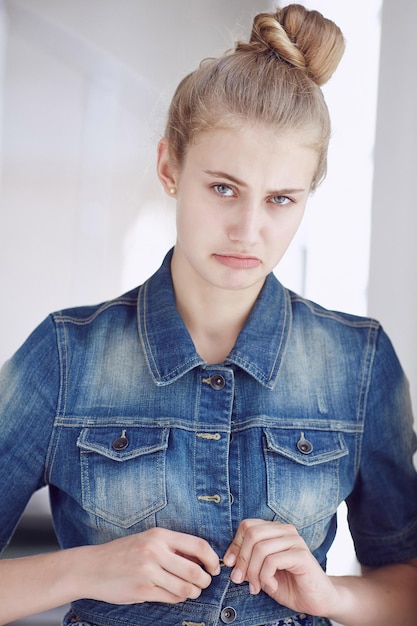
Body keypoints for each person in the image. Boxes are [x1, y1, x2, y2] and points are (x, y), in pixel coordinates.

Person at [0, 3, 417, 626]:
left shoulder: (358, 364)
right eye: (223, 187)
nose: (248, 229)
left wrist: (329, 596)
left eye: (280, 198)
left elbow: (405, 584)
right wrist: (86, 569)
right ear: (170, 167)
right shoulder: (65, 355)